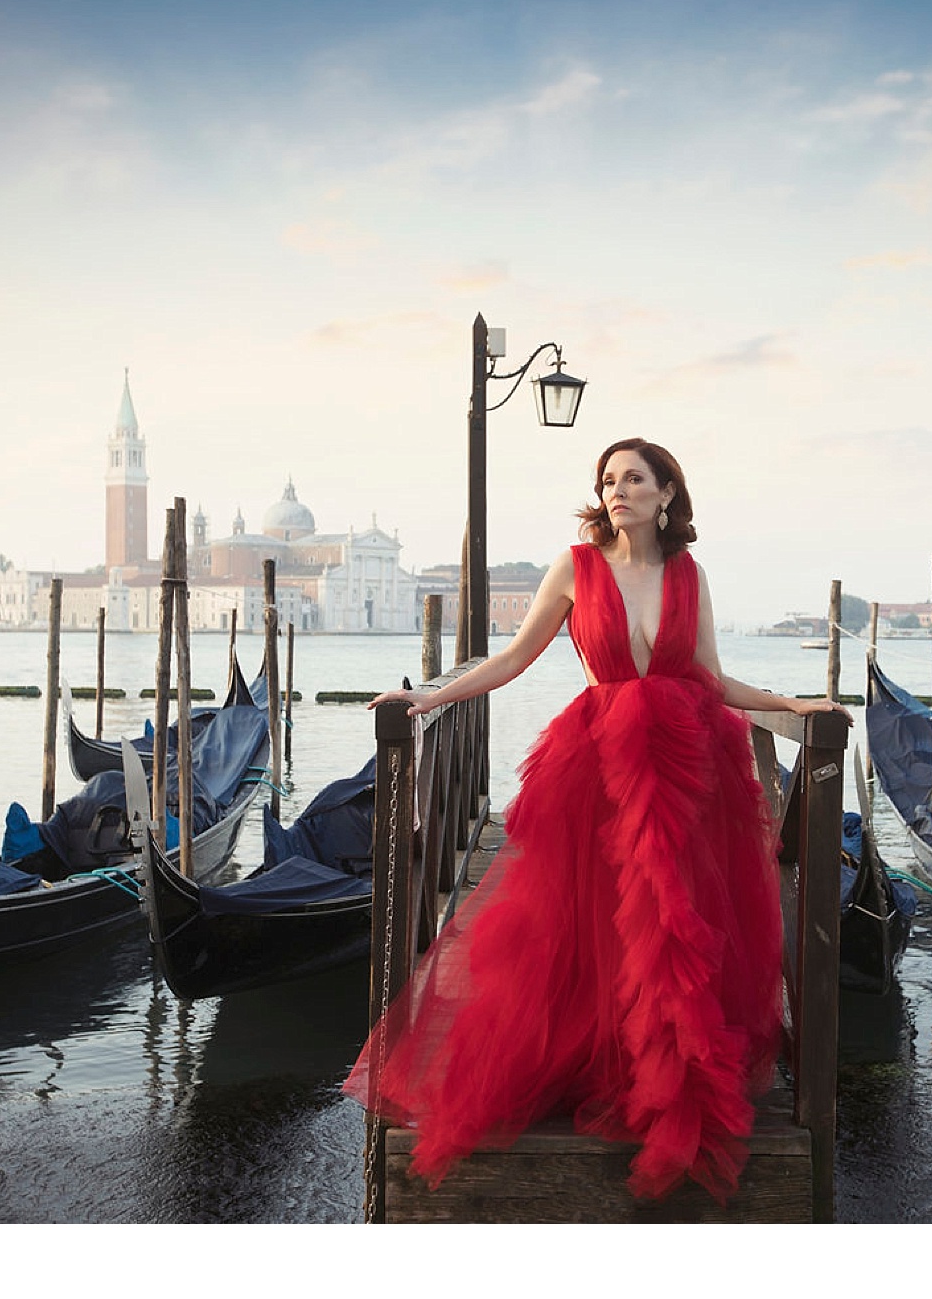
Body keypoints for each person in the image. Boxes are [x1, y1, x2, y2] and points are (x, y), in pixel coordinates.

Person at [343, 436, 851, 1204]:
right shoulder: (576, 569)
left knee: (674, 928)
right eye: (607, 479)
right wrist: (426, 700)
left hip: (686, 765)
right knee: (599, 924)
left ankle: (665, 1078)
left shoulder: (688, 573)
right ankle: (600, 1063)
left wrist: (792, 707)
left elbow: (708, 676)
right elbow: (513, 658)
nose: (617, 490)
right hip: (602, 763)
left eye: (633, 478)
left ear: (666, 493)